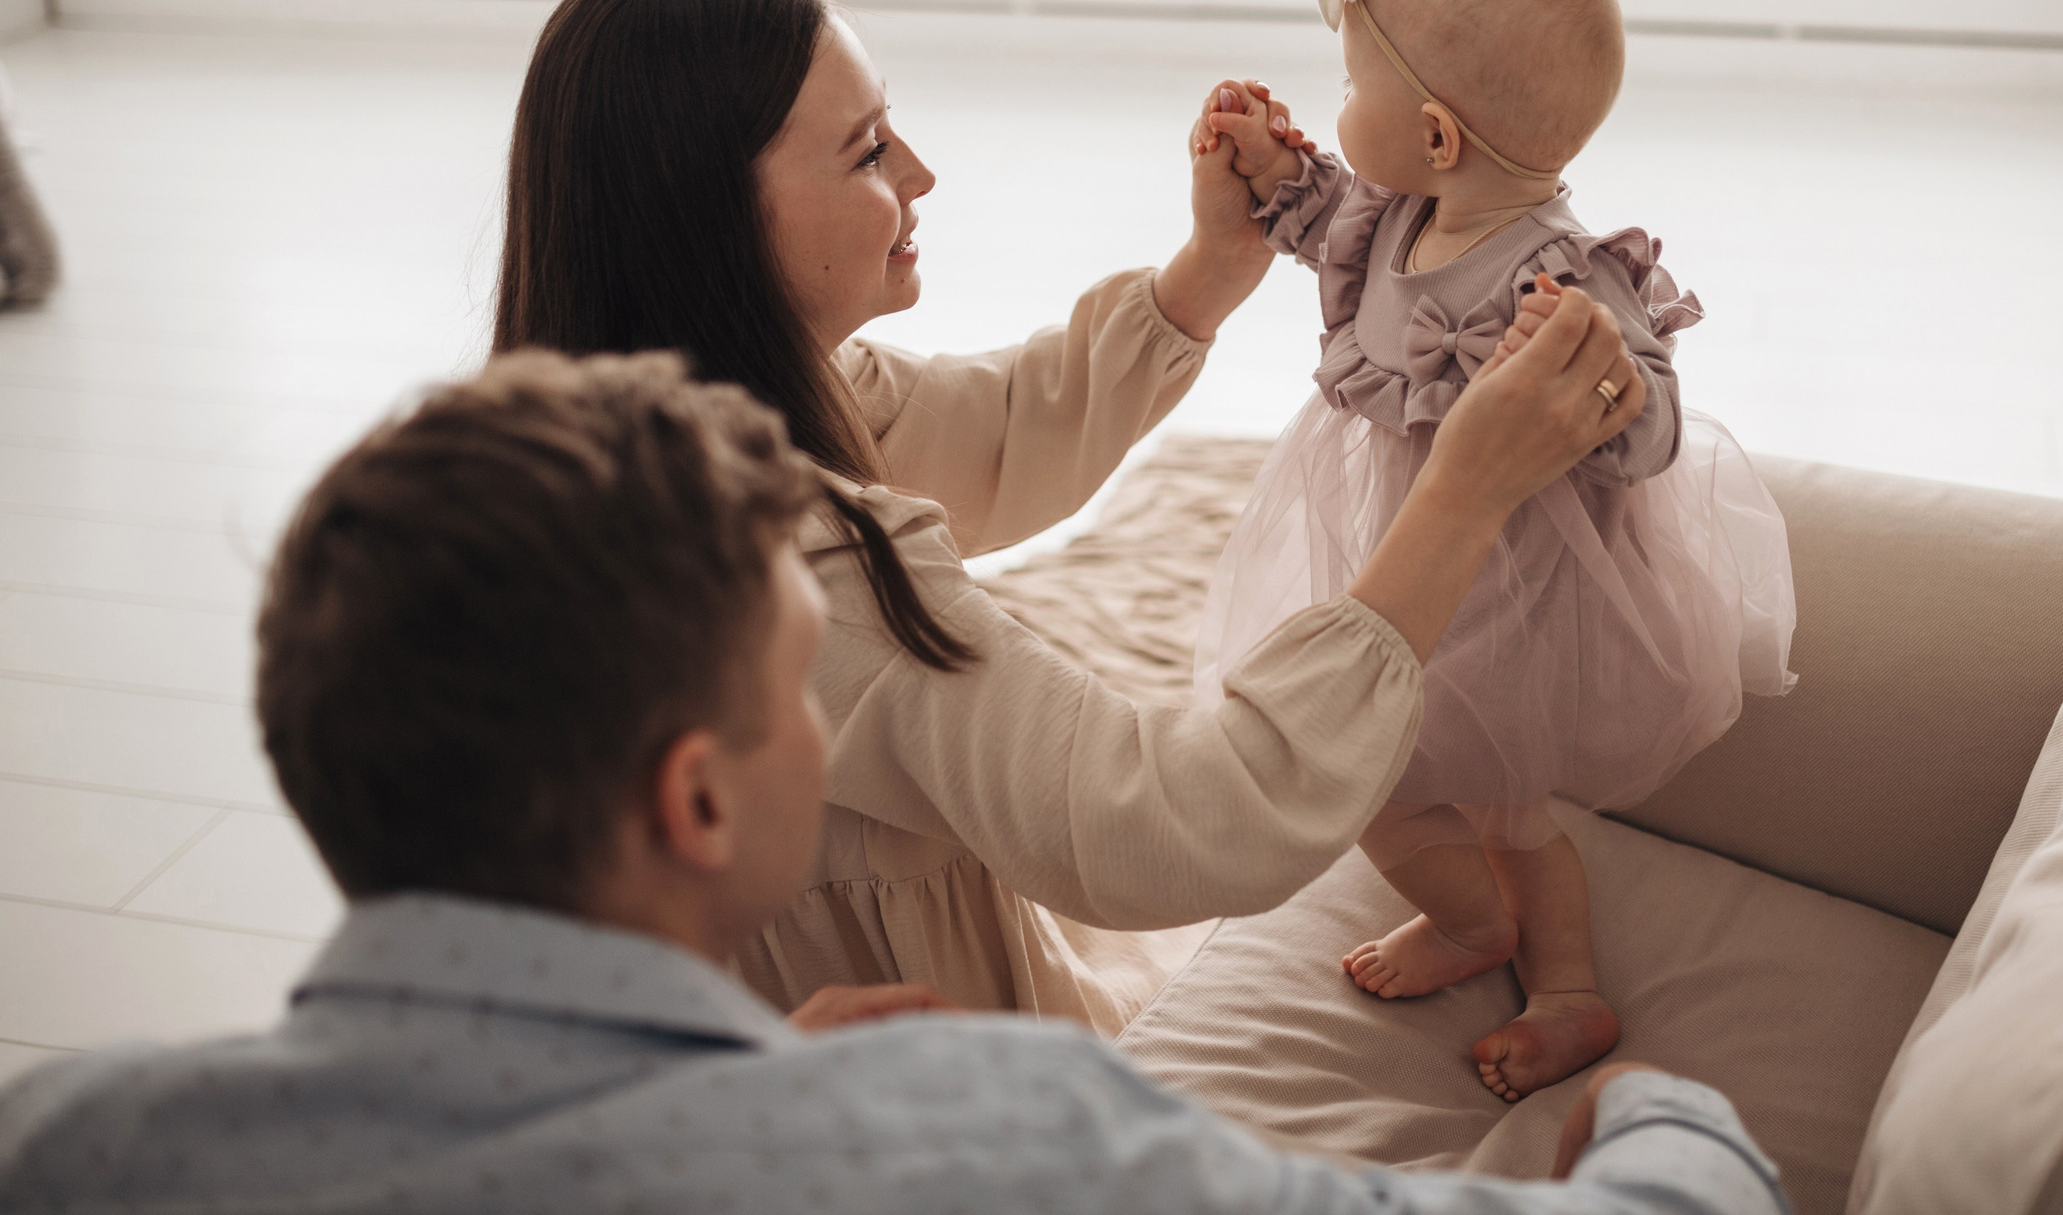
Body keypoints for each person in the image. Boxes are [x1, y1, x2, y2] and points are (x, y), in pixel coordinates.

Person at [0, 351, 1789, 1215]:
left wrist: (766, 1087)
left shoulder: (82, 1140)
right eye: (800, 688)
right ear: (699, 802)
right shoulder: (1002, 1138)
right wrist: (1662, 1116)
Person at [488, 0, 1660, 1036]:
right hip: (900, 1057)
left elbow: (1002, 428)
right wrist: (1462, 492)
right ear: (711, 224)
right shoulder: (787, 575)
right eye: (866, 152)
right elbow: (1175, 825)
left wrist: (1208, 271)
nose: (920, 173)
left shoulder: (692, 413)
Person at [1193, 0, 1798, 1102]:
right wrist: (1276, 177)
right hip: (1397, 551)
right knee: (1385, 768)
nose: (1339, 102)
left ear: (1432, 132)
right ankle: (1479, 922)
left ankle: (1552, 978)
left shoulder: (1561, 278)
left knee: (1469, 798)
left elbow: (1656, 431)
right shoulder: (1402, 207)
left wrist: (1606, 386)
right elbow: (1329, 234)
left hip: (1513, 595)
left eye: (1350, 81)